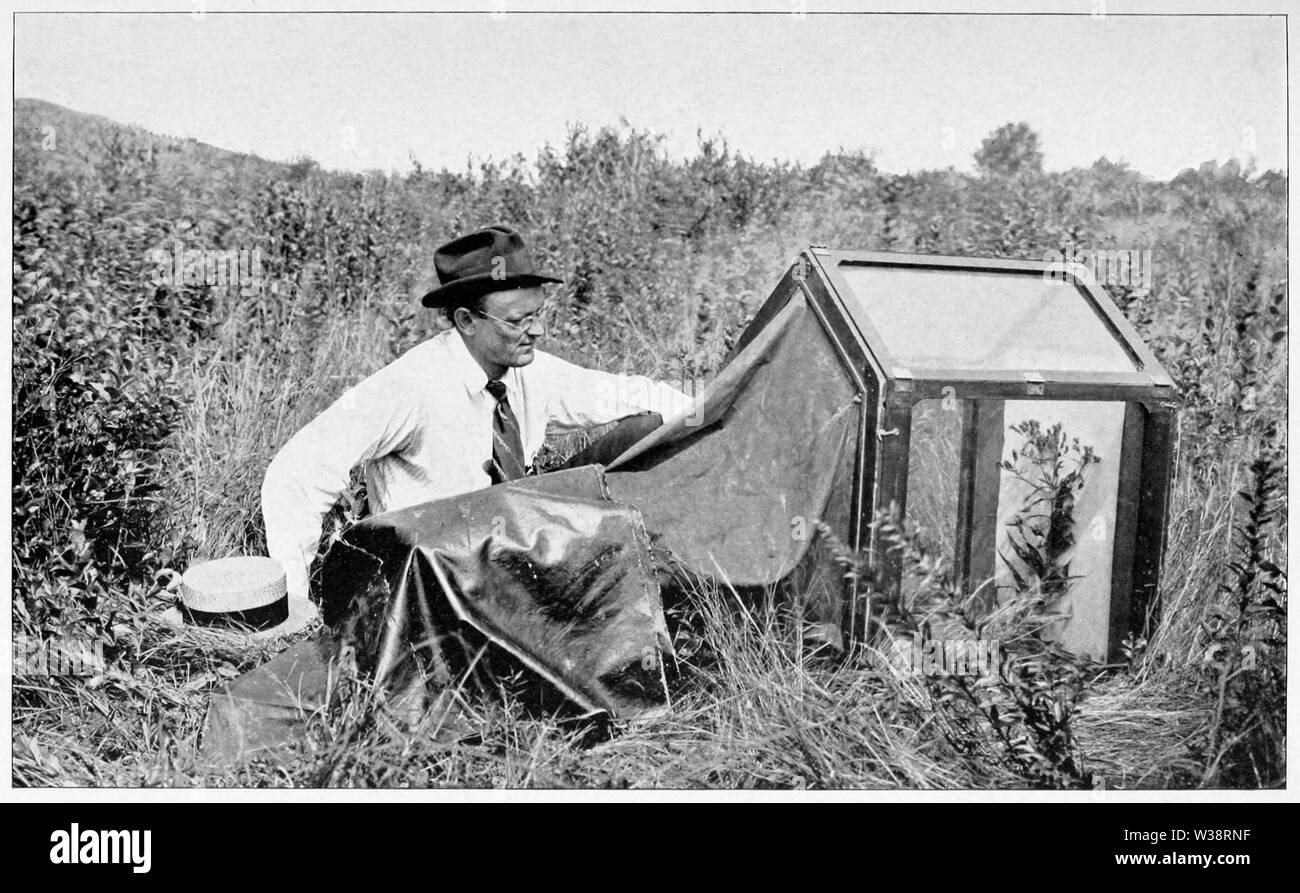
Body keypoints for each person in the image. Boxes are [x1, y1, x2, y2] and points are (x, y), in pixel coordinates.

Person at [261, 224, 691, 609]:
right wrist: (294, 600)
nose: (537, 332)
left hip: (513, 550)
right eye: (519, 321)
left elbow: (625, 393)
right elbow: (297, 472)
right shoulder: (411, 386)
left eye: (538, 315)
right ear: (466, 320)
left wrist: (720, 404)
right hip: (435, 574)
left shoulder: (530, 371)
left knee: (646, 428)